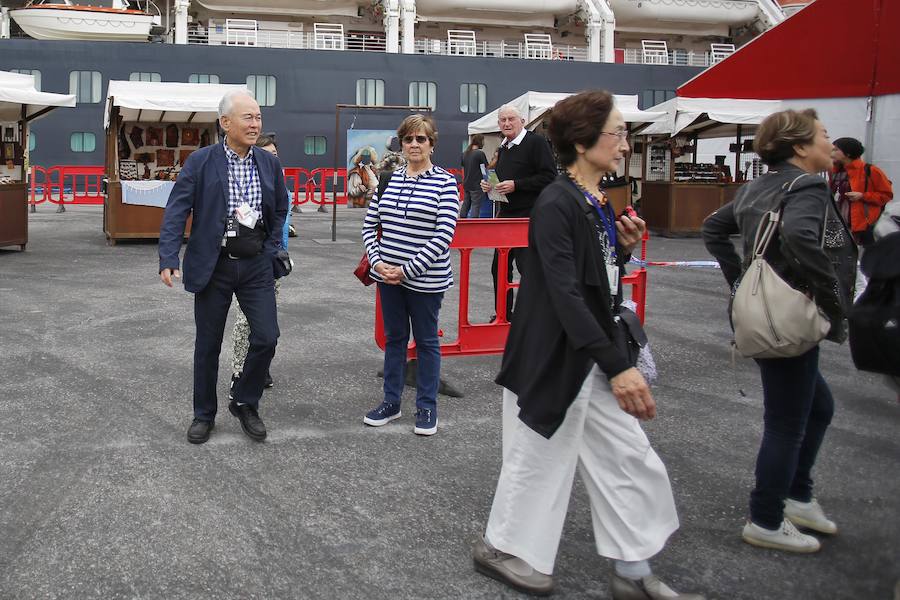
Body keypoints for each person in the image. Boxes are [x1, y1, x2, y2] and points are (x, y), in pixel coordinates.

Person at [472, 91, 704, 600]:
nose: (625, 144)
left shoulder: (591, 199)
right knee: (537, 458)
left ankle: (633, 568)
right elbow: (563, 290)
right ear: (583, 141)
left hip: (585, 353)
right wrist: (618, 365)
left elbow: (590, 277)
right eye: (617, 133)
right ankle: (507, 548)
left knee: (627, 458)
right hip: (554, 358)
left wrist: (618, 248)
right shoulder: (560, 202)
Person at [703, 109, 857, 552]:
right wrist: (833, 301)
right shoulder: (806, 185)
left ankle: (799, 495)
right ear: (801, 147)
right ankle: (768, 517)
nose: (831, 143)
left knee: (817, 407)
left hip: (767, 312)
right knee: (786, 422)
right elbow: (802, 237)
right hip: (789, 316)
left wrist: (740, 278)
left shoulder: (758, 186)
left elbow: (716, 228)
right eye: (824, 135)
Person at [159, 90, 289, 445]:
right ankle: (204, 414)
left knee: (267, 337)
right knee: (208, 345)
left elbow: (280, 209)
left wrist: (271, 247)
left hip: (256, 265)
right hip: (213, 265)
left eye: (258, 117)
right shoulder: (201, 162)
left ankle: (245, 401)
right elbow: (176, 210)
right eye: (248, 117)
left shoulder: (268, 162)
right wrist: (168, 257)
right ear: (225, 123)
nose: (255, 123)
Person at [361, 115, 459, 436]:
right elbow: (369, 226)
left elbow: (444, 234)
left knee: (427, 342)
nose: (414, 145)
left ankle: (427, 406)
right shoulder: (389, 179)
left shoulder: (444, 182)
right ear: (401, 144)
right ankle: (392, 401)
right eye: (408, 139)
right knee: (395, 340)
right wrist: (378, 265)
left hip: (425, 280)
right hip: (387, 276)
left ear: (432, 143)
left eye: (421, 139)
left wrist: (406, 270)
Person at [480, 104, 556, 321]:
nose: (506, 123)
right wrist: (491, 186)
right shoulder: (504, 147)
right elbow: (505, 180)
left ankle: (540, 316)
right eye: (502, 120)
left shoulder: (535, 143)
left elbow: (550, 177)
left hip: (529, 216)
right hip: (506, 215)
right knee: (500, 268)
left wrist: (517, 185)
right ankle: (503, 314)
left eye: (511, 119)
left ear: (522, 121)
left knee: (528, 268)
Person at [229, 134, 292, 394]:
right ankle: (239, 372)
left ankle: (259, 367)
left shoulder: (279, 186)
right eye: (267, 153)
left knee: (267, 323)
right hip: (247, 259)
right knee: (245, 321)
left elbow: (283, 223)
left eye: (275, 154)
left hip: (274, 260)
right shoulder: (249, 186)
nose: (272, 158)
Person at [829, 137, 893, 247]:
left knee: (865, 255)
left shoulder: (870, 170)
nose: (831, 152)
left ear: (848, 153)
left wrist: (863, 196)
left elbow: (886, 195)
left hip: (863, 224)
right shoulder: (834, 171)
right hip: (838, 222)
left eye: (835, 149)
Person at [460, 133, 488, 218]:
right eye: (483, 141)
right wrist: (496, 160)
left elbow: (463, 169)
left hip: (466, 183)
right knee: (475, 206)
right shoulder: (480, 153)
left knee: (466, 204)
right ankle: (473, 225)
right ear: (480, 141)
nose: (484, 143)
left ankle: (461, 223)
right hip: (476, 185)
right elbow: (486, 168)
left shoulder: (465, 153)